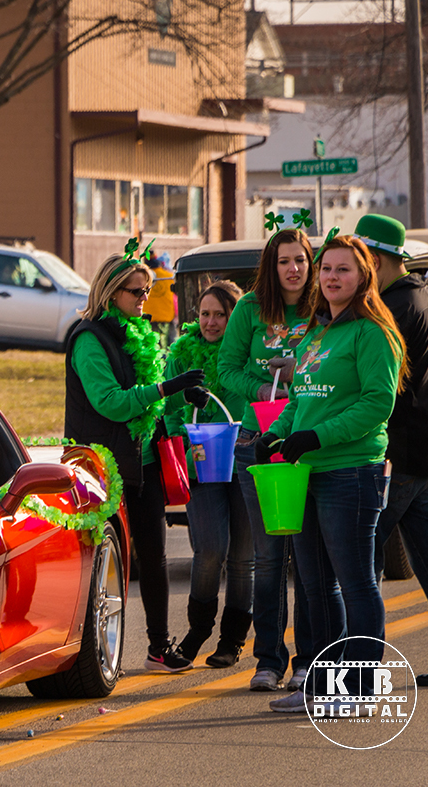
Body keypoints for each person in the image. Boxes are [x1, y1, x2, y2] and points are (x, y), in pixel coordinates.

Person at [258, 234, 406, 713]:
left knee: (356, 581)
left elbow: (376, 404)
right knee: (315, 585)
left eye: (343, 269)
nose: (331, 277)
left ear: (363, 276)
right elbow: (301, 399)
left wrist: (319, 438)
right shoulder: (316, 333)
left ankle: (360, 685)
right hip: (306, 472)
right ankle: (322, 685)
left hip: (351, 471)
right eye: (326, 269)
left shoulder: (373, 333)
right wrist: (275, 433)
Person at [64, 250, 205, 672]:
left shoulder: (137, 333)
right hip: (101, 466)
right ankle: (93, 655)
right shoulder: (89, 338)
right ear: (111, 291)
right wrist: (166, 388)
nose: (145, 298)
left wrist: (181, 393)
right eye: (136, 291)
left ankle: (159, 647)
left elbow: (148, 397)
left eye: (148, 290)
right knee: (105, 563)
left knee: (154, 554)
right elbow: (109, 402)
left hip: (143, 461)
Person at [217, 227, 316, 694]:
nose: (293, 269)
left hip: (310, 444)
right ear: (270, 266)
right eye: (284, 261)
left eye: (300, 259)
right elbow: (226, 368)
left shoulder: (324, 307)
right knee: (269, 555)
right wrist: (260, 389)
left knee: (312, 558)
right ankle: (268, 660)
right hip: (256, 443)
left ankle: (310, 661)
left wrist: (302, 379)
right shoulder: (249, 309)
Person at [360, 214, 428, 687]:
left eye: (359, 262)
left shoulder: (391, 308)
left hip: (398, 453)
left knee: (361, 563)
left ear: (375, 261)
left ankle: (361, 670)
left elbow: (380, 389)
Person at [163, 280, 253, 668]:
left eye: (220, 314)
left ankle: (231, 639)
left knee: (243, 556)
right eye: (204, 314)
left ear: (235, 318)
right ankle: (198, 629)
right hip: (202, 462)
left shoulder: (249, 353)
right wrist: (183, 409)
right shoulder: (182, 353)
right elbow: (163, 408)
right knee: (211, 549)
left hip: (247, 458)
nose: (211, 322)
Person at [145, 251, 177, 345]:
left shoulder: (145, 276)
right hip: (167, 316)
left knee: (154, 345)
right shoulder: (168, 276)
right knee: (170, 344)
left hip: (149, 316)